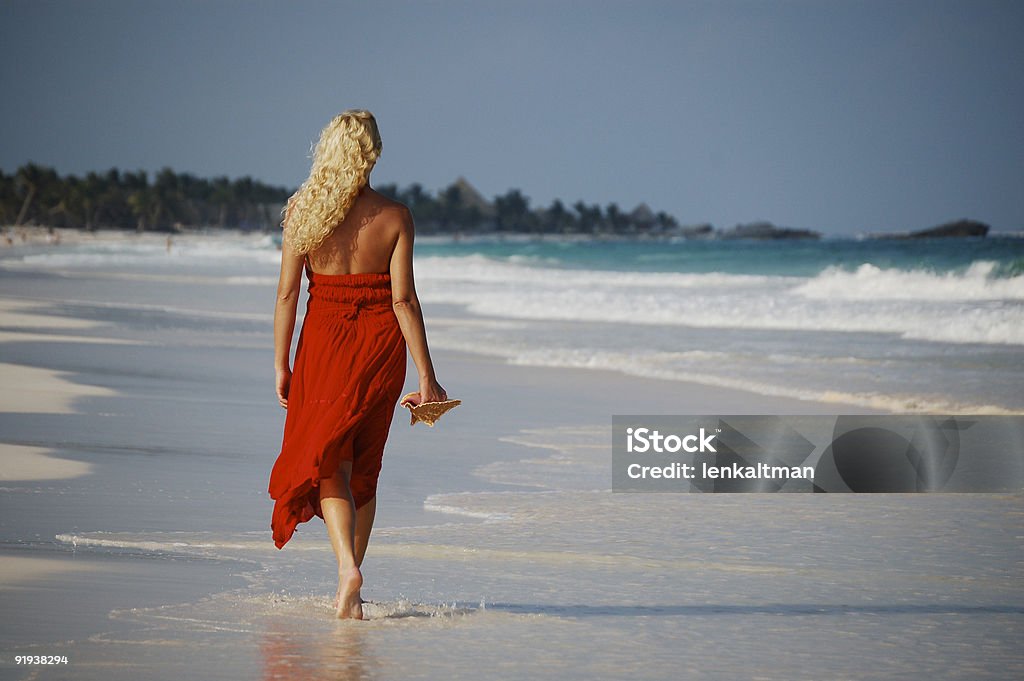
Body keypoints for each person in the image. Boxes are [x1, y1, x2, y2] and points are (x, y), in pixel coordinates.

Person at [268, 109, 446, 619]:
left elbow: (286, 297)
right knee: (364, 465)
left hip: (323, 345)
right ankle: (353, 584)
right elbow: (404, 302)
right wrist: (427, 377)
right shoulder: (395, 216)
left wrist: (281, 364)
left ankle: (348, 569)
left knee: (330, 462)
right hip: (380, 349)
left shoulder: (303, 211)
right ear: (373, 153)